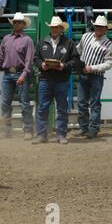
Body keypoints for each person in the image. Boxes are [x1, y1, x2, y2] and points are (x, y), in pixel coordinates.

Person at [0, 12, 34, 140]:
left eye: (19, 22)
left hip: (21, 72)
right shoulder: (6, 38)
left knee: (24, 102)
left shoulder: (27, 40)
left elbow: (29, 61)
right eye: (15, 22)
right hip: (7, 73)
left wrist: (24, 74)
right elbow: (0, 57)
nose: (16, 24)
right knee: (5, 103)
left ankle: (28, 129)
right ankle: (6, 130)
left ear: (23, 25)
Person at [33, 16, 80, 145]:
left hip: (61, 80)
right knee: (42, 107)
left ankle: (61, 134)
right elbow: (35, 58)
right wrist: (41, 65)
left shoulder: (68, 43)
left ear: (61, 28)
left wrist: (64, 66)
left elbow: (75, 60)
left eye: (56, 27)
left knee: (62, 108)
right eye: (52, 27)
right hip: (45, 79)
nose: (54, 29)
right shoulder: (42, 42)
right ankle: (42, 134)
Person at [76, 16, 112, 139]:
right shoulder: (85, 37)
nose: (98, 28)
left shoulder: (109, 45)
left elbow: (108, 64)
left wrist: (92, 68)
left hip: (96, 76)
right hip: (83, 74)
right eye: (97, 26)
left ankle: (93, 128)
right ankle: (83, 127)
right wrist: (80, 63)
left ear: (105, 29)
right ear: (94, 26)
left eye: (101, 27)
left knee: (94, 103)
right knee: (82, 102)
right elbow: (78, 50)